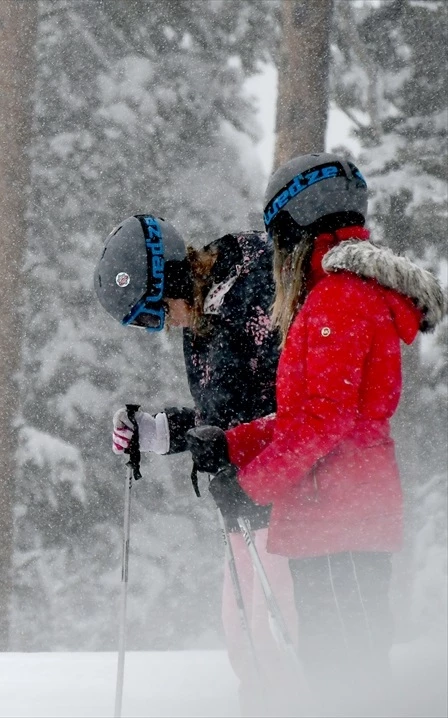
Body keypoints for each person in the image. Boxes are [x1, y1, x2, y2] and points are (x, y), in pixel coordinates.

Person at [186, 152, 446, 714]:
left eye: (280, 239)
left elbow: (324, 423)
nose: (277, 256)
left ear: (300, 229)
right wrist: (233, 445)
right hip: (334, 519)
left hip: (340, 522)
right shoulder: (336, 296)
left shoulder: (339, 299)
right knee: (338, 675)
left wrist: (252, 486)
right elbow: (308, 415)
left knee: (345, 677)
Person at [93, 215, 297, 713]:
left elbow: (291, 405)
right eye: (146, 323)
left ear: (173, 277)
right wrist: (160, 431)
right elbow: (221, 416)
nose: (161, 327)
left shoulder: (254, 289)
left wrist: (231, 447)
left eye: (154, 313)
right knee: (244, 634)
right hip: (243, 502)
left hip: (288, 496)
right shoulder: (204, 313)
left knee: (286, 629)